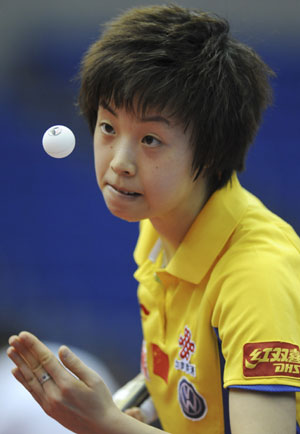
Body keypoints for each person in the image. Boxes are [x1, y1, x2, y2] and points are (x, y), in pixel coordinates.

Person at [7, 4, 300, 434]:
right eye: (108, 127)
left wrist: (107, 424)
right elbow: (183, 374)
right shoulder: (158, 228)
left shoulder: (256, 276)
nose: (119, 162)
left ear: (213, 153)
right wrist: (130, 408)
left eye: (150, 139)